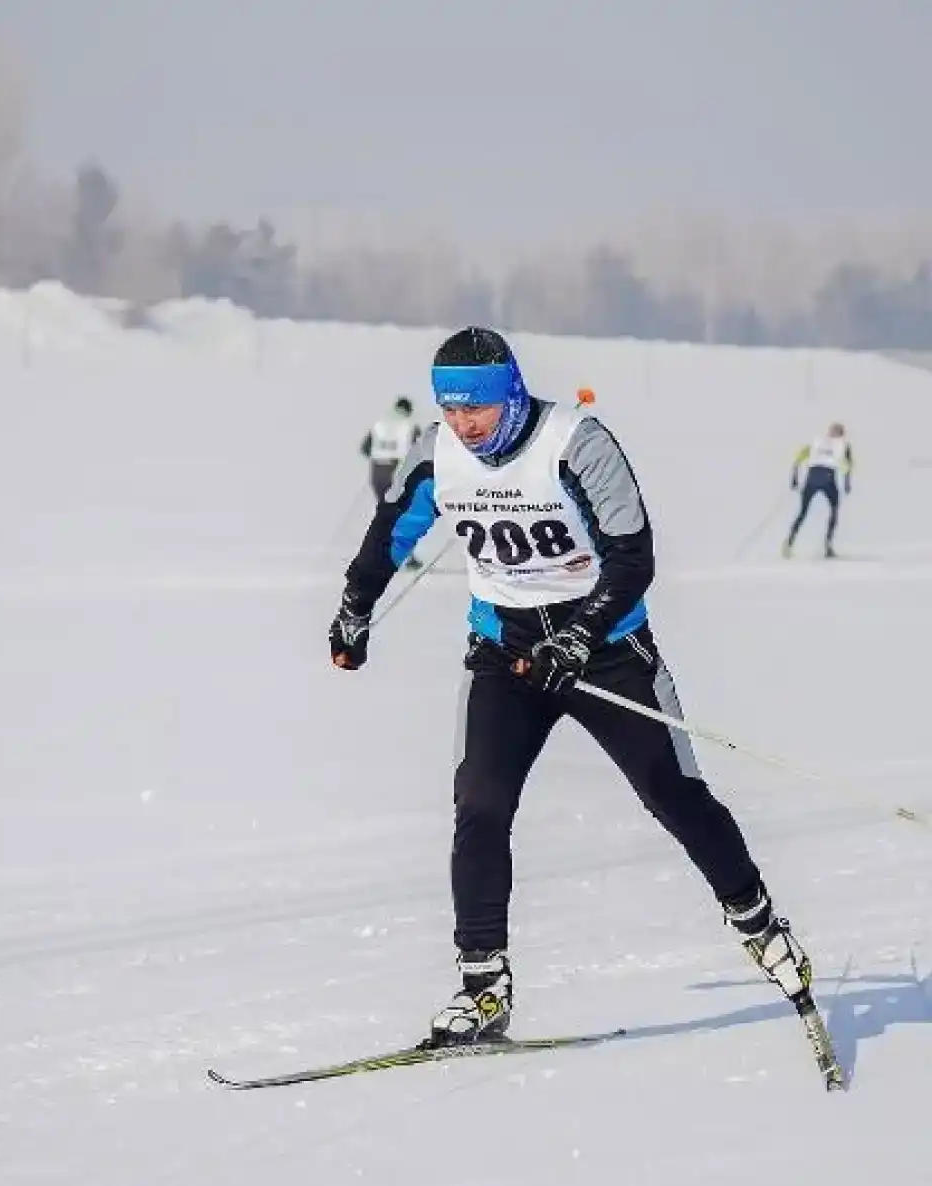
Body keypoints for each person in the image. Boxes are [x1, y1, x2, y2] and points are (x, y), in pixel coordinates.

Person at [328, 327, 814, 1047]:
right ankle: (482, 987)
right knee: (480, 805)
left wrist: (580, 635)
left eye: (477, 412)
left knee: (671, 792)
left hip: (609, 651)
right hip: (507, 656)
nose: (464, 425)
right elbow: (391, 531)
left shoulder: (575, 441)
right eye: (451, 410)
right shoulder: (440, 453)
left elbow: (631, 556)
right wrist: (355, 607)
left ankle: (759, 921)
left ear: (512, 396)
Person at [784, 424, 853, 559]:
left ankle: (789, 542)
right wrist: (847, 483)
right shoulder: (843, 445)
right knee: (834, 510)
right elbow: (847, 465)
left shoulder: (816, 442)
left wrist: (794, 479)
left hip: (811, 478)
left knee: (803, 512)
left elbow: (798, 459)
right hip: (828, 478)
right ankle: (828, 546)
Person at [360, 397, 420, 502]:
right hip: (397, 471)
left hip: (378, 473)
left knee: (384, 505)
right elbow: (420, 451)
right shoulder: (411, 427)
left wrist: (381, 454)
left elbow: (365, 449)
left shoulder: (379, 425)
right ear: (409, 411)